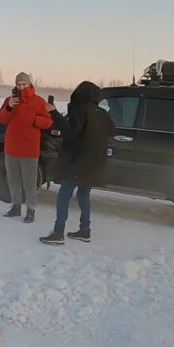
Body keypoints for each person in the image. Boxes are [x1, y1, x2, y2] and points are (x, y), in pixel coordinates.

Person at [40, 81, 115, 245]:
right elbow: (112, 130)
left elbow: (70, 132)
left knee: (64, 196)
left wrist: (53, 113)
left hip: (76, 163)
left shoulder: (79, 110)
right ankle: (85, 230)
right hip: (93, 165)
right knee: (83, 195)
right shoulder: (102, 113)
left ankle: (58, 233)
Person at [0, 73, 52, 223]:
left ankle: (31, 209)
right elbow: (2, 119)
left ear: (29, 84)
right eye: (19, 84)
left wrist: (35, 120)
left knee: (29, 181)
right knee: (13, 179)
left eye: (24, 84)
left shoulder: (38, 102)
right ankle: (15, 206)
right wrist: (9, 107)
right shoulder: (10, 101)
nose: (21, 87)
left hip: (29, 149)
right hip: (12, 147)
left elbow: (47, 122)